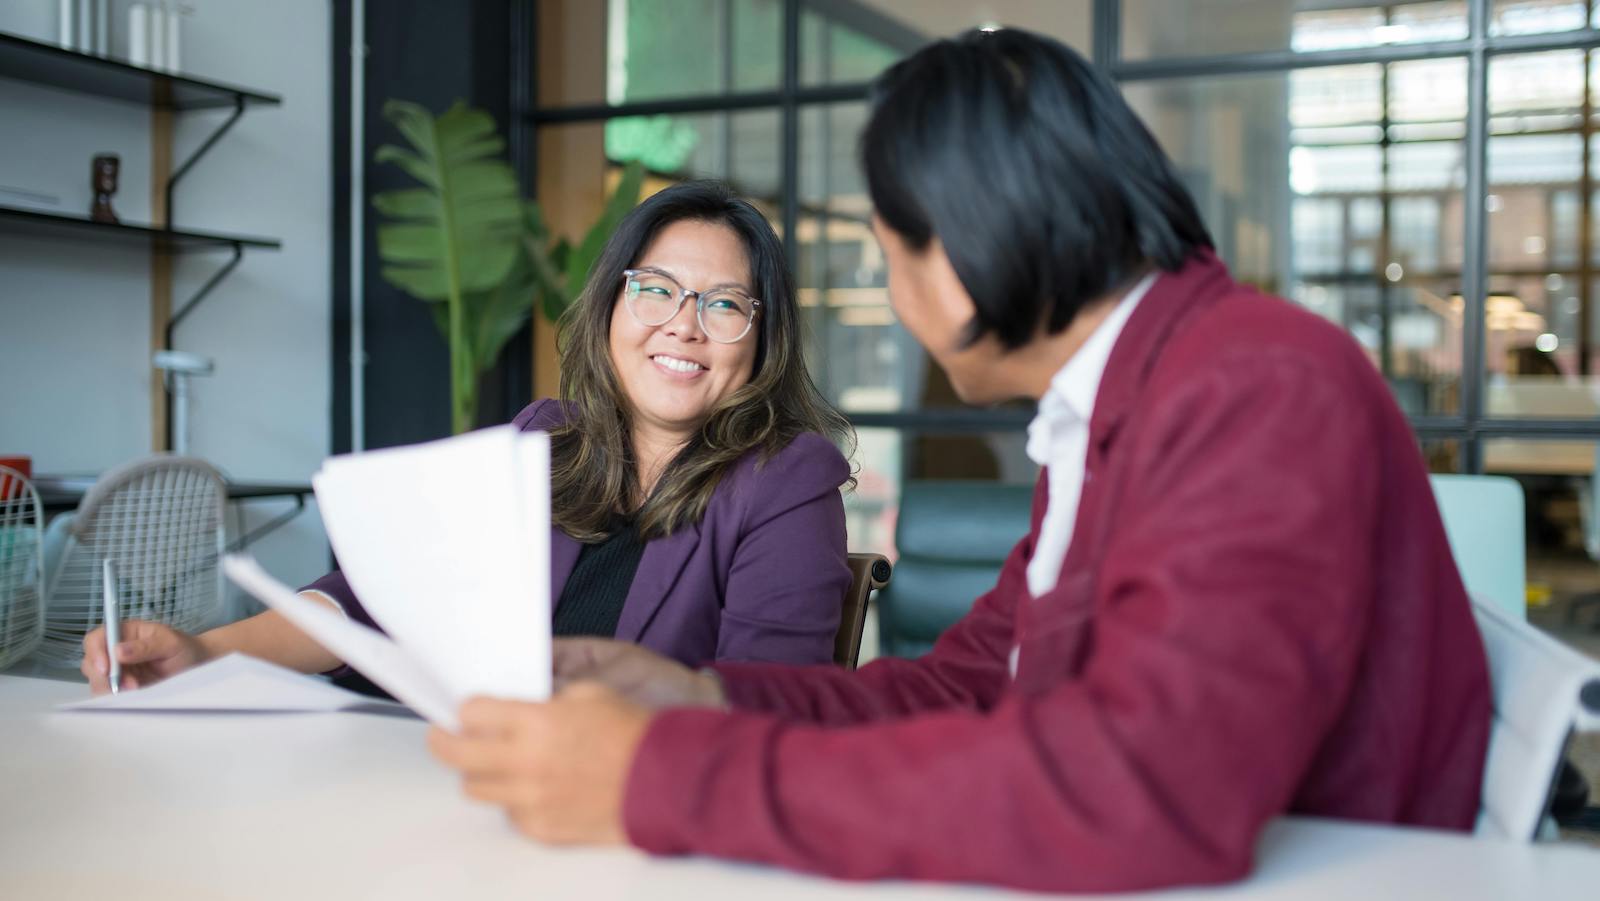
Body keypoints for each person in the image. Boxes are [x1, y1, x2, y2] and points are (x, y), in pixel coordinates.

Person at [425, 29, 1492, 894]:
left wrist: (658, 775)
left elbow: (1142, 794)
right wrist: (698, 696)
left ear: (967, 257)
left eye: (890, 256)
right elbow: (967, 687)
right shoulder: (1121, 404)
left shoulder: (1255, 386)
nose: (894, 298)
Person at [82, 181, 856, 689]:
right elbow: (369, 599)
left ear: (761, 338)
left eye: (724, 305)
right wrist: (207, 655)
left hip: (626, 818)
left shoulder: (788, 478)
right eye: (655, 289)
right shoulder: (544, 441)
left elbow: (771, 700)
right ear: (611, 308)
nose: (682, 325)